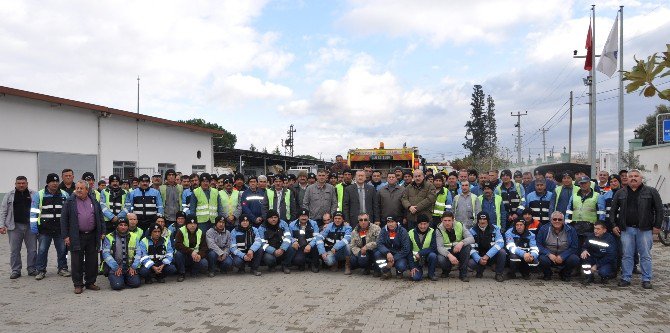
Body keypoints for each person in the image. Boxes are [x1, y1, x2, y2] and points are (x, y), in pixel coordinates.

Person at [610, 169, 663, 289]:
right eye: (631, 176)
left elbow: (659, 210)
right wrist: (614, 225)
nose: (633, 178)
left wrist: (657, 226)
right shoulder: (620, 193)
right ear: (627, 179)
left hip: (644, 229)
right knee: (627, 255)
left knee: (645, 255)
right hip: (626, 229)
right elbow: (613, 211)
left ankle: (646, 279)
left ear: (641, 178)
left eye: (636, 176)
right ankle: (626, 278)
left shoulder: (651, 191)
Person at [61, 180, 105, 294]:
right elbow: (64, 220)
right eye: (77, 188)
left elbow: (100, 217)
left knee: (92, 261)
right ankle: (78, 284)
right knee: (77, 261)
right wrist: (66, 236)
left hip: (92, 235)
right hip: (76, 236)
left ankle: (90, 282)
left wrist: (102, 231)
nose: (79, 190)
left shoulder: (94, 201)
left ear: (87, 189)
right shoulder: (69, 202)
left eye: (81, 188)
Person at [32, 173, 70, 280]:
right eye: (52, 181)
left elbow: (68, 213)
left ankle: (62, 268)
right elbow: (33, 212)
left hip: (60, 229)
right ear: (47, 183)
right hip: (44, 229)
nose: (55, 183)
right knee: (43, 250)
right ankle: (40, 270)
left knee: (63, 250)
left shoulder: (64, 194)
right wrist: (34, 228)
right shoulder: (39, 195)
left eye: (56, 181)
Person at [0, 176, 38, 279]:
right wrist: (1, 225)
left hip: (31, 226)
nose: (21, 185)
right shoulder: (9, 195)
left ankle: (32, 269)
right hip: (14, 226)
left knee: (33, 250)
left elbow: (39, 209)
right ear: (15, 184)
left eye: (23, 183)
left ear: (27, 183)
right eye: (19, 183)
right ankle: (16, 271)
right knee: (15, 250)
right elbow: (3, 211)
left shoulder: (34, 194)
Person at [536, 211, 579, 281]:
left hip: (565, 256)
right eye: (554, 219)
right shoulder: (544, 229)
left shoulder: (571, 230)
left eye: (560, 219)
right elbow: (538, 244)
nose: (557, 221)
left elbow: (574, 247)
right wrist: (549, 254)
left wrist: (563, 256)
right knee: (542, 259)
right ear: (551, 220)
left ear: (563, 221)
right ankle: (547, 274)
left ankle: (564, 274)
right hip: (549, 256)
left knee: (574, 259)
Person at [101, 218, 141, 290]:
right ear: (117, 226)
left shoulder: (134, 236)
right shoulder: (109, 237)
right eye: (121, 225)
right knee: (117, 286)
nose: (123, 227)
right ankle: (119, 279)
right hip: (115, 268)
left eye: (125, 225)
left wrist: (134, 266)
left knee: (136, 283)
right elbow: (106, 254)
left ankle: (124, 278)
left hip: (129, 267)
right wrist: (115, 267)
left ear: (128, 226)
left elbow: (138, 253)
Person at [468, 212, 506, 282]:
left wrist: (487, 256)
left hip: (491, 256)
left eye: (484, 219)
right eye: (480, 219)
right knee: (470, 263)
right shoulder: (472, 231)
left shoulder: (495, 228)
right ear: (477, 220)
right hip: (479, 256)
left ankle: (499, 274)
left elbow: (500, 243)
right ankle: (480, 270)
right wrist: (479, 259)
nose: (482, 221)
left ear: (488, 220)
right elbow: (471, 248)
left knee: (502, 252)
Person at [435, 211, 473, 282]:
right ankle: (446, 271)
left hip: (458, 249)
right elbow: (439, 247)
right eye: (445, 220)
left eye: (449, 220)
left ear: (453, 220)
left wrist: (461, 243)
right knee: (440, 259)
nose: (447, 223)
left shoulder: (460, 225)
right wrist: (449, 255)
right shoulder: (438, 229)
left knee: (467, 247)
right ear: (441, 220)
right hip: (447, 252)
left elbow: (471, 238)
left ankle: (463, 274)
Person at [253, 209, 294, 274]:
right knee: (268, 258)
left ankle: (285, 265)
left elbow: (288, 237)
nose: (274, 219)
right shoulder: (262, 227)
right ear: (267, 219)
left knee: (291, 248)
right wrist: (273, 251)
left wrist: (282, 248)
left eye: (275, 217)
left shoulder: (283, 224)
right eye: (271, 218)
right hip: (270, 250)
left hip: (282, 248)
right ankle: (272, 266)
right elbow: (262, 243)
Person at [565, 176, 599, 247]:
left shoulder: (597, 196)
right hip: (576, 227)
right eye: (581, 183)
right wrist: (567, 226)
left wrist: (599, 226)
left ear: (589, 183)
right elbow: (569, 212)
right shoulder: (574, 196)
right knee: (576, 247)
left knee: (590, 248)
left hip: (591, 228)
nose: (583, 185)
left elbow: (601, 213)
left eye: (585, 183)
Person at [174, 215, 209, 282]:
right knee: (178, 254)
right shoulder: (181, 231)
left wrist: (200, 255)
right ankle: (182, 273)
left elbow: (204, 247)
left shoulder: (200, 232)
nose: (192, 225)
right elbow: (177, 245)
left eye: (194, 223)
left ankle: (193, 270)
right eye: (190, 223)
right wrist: (191, 252)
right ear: (186, 224)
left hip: (196, 256)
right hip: (185, 255)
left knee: (204, 263)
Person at [581, 221, 617, 285]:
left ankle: (605, 277)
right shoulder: (591, 236)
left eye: (598, 229)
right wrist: (584, 250)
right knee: (584, 256)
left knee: (603, 272)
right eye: (595, 228)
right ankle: (589, 277)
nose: (595, 231)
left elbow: (611, 256)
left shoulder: (610, 239)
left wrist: (596, 265)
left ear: (604, 230)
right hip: (594, 258)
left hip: (605, 260)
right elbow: (584, 246)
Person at [408, 215, 438, 281]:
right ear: (417, 224)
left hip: (427, 257)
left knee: (433, 255)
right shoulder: (410, 233)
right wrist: (412, 267)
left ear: (428, 224)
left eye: (425, 224)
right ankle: (417, 271)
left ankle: (431, 274)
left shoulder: (432, 231)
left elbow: (434, 247)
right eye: (420, 224)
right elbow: (408, 251)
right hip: (415, 260)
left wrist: (420, 253)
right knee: (416, 278)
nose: (423, 226)